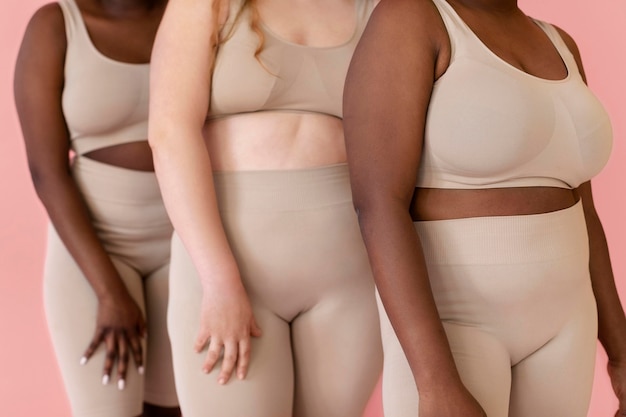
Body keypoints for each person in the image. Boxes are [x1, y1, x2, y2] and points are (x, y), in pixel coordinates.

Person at [342, 0, 626, 416]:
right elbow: (378, 203)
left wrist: (620, 350)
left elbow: (584, 209)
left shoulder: (560, 42)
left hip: (568, 319)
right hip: (455, 322)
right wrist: (435, 383)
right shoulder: (411, 17)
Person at [147, 0, 383, 415]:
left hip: (350, 275)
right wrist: (218, 281)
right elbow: (169, 132)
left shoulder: (382, 9)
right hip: (225, 266)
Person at [14, 1, 180, 416]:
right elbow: (45, 172)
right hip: (96, 244)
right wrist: (109, 293)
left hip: (187, 243)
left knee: (179, 409)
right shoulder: (56, 25)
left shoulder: (191, 12)